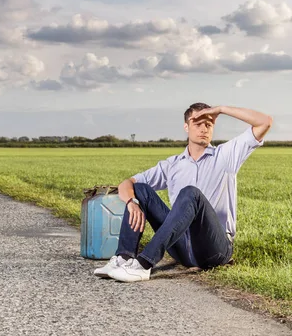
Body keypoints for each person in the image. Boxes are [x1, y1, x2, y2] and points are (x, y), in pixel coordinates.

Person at [94, 103, 273, 282]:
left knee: (191, 193)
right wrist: (132, 202)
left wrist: (220, 110)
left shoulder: (226, 155)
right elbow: (127, 183)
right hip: (182, 247)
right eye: (198, 124)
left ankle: (143, 264)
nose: (204, 128)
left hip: (214, 249)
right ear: (186, 127)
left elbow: (264, 122)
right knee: (140, 190)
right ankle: (123, 259)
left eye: (209, 124)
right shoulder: (172, 165)